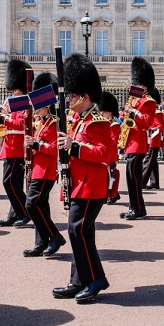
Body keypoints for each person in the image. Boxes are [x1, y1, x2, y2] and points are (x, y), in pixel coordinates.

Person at [53, 54, 112, 302]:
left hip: (92, 186)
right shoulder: (78, 121)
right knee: (78, 231)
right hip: (79, 184)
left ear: (85, 97)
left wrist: (74, 146)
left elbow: (105, 153)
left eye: (72, 95)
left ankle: (95, 278)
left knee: (77, 230)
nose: (69, 99)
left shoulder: (96, 122)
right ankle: (78, 280)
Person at [22, 72, 66, 257]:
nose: (34, 108)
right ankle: (41, 243)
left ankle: (55, 236)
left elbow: (55, 149)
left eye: (37, 105)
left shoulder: (54, 123)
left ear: (46, 105)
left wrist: (36, 144)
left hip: (46, 171)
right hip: (37, 169)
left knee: (31, 205)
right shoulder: (40, 123)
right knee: (41, 207)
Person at [120, 57, 157, 220]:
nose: (135, 87)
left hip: (138, 142)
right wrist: (126, 112)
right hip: (130, 141)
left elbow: (147, 122)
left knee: (134, 179)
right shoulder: (134, 98)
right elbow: (127, 117)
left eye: (138, 84)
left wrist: (133, 111)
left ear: (145, 86)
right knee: (130, 178)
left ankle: (138, 209)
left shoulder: (149, 101)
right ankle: (134, 207)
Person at [0, 59, 31, 228]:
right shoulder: (13, 102)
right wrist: (0, 119)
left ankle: (24, 212)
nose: (11, 91)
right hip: (10, 146)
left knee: (9, 182)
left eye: (14, 89)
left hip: (17, 147)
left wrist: (5, 119)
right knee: (14, 183)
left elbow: (22, 124)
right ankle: (14, 214)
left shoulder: (24, 101)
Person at [99, 91, 122, 205]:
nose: (101, 113)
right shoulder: (103, 123)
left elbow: (113, 140)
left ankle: (113, 194)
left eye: (103, 112)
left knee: (111, 174)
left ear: (109, 113)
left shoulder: (114, 125)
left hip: (111, 153)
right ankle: (110, 193)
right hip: (103, 151)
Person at [142, 87, 164, 189]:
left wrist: (149, 128)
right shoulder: (151, 111)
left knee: (148, 160)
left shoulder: (157, 112)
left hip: (153, 140)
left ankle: (142, 181)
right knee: (153, 162)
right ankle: (155, 182)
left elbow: (160, 126)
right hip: (148, 139)